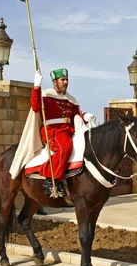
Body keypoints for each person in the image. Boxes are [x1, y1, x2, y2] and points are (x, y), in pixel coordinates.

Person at [23, 68, 92, 197]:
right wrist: (36, 86)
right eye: (62, 80)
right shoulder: (46, 95)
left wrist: (85, 117)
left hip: (69, 130)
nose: (65, 82)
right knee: (65, 147)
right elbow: (36, 107)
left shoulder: (71, 99)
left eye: (67, 80)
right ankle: (51, 179)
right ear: (55, 82)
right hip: (53, 131)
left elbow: (75, 117)